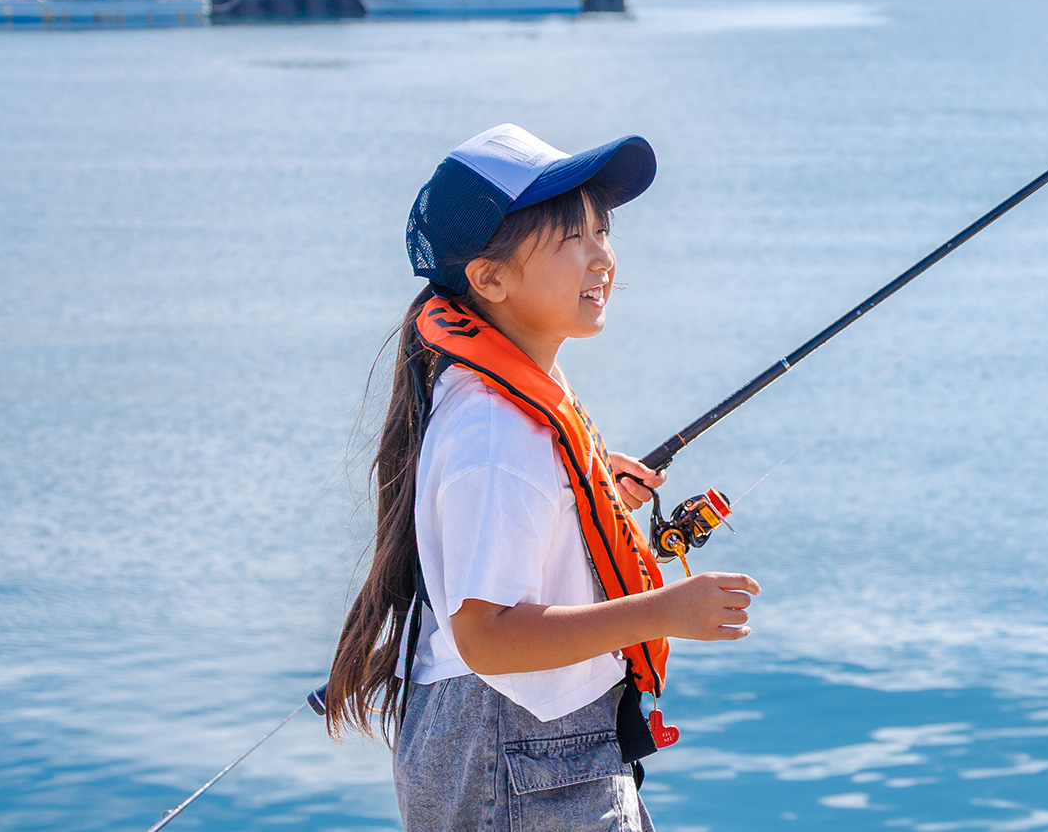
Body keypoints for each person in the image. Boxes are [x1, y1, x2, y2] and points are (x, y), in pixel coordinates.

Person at [323, 124, 762, 831]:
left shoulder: (500, 397)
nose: (602, 259)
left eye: (602, 231)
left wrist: (581, 505)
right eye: (571, 239)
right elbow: (489, 635)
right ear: (489, 278)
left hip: (530, 746)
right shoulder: (497, 433)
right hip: (519, 753)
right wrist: (665, 611)